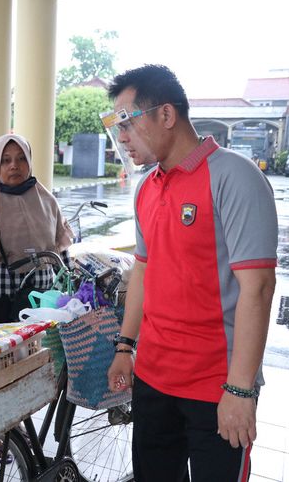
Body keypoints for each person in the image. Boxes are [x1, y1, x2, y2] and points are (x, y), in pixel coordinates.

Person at [105, 65, 277, 481]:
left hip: (216, 385)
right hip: (154, 377)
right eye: (115, 126)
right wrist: (125, 347)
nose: (121, 137)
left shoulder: (234, 177)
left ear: (166, 115)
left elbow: (257, 288)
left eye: (126, 122)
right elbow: (142, 273)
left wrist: (240, 390)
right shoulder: (147, 188)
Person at [0, 134, 74, 324]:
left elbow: (60, 249)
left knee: (39, 347)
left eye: (21, 158)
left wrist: (73, 283)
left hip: (41, 293)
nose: (14, 165)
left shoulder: (48, 202)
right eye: (5, 160)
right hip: (0, 293)